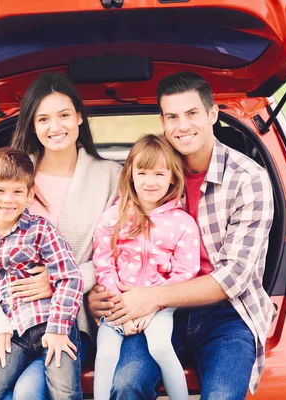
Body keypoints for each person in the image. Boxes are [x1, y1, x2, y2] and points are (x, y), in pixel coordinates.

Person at [88, 71, 275, 400]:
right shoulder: (149, 174)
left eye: (192, 113)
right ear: (162, 120)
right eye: (172, 116)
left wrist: (151, 297)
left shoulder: (248, 179)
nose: (182, 126)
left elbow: (233, 278)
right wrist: (100, 295)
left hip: (226, 314)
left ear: (212, 114)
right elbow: (112, 242)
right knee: (126, 383)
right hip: (152, 311)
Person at [0, 72, 122, 399]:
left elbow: (117, 253)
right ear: (31, 125)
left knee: (29, 391)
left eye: (64, 115)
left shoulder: (110, 176)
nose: (55, 127)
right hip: (6, 317)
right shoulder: (12, 175)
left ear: (80, 117)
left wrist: (57, 280)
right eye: (43, 118)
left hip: (68, 315)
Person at [0, 147, 84, 400]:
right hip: (14, 335)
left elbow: (70, 277)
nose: (8, 199)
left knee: (65, 393)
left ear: (30, 194)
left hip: (52, 325)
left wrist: (58, 327)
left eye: (17, 191)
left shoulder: (41, 231)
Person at [92, 134, 200, 400]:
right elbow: (103, 261)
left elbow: (186, 272)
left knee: (161, 347)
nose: (150, 182)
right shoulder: (112, 217)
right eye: (142, 173)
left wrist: (153, 304)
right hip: (118, 306)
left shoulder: (182, 223)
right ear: (130, 175)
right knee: (105, 355)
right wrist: (121, 305)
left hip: (161, 306)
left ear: (173, 178)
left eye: (159, 174)